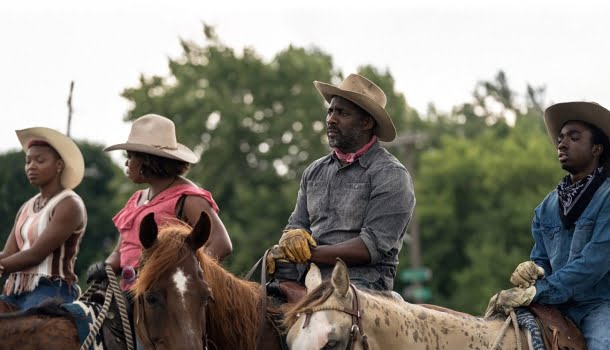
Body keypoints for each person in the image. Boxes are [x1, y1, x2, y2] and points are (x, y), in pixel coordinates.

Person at [267, 74, 415, 291]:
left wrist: (308, 254)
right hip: (307, 278)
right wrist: (288, 242)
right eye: (330, 111)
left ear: (367, 122)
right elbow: (297, 225)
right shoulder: (314, 171)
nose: (331, 119)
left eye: (342, 113)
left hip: (362, 287)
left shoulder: (391, 175)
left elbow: (369, 247)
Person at [86, 114, 232, 335]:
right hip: (130, 295)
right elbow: (121, 251)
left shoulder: (188, 197)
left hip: (165, 304)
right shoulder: (136, 199)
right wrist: (105, 267)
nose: (126, 163)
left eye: (130, 156)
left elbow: (221, 243)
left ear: (147, 161)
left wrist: (185, 278)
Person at [485, 102, 610, 349]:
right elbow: (541, 260)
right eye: (561, 138)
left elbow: (594, 264)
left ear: (596, 149)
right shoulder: (546, 207)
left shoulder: (607, 197)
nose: (561, 144)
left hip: (598, 305)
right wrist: (532, 271)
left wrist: (539, 291)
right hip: (554, 305)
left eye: (574, 138)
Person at [0, 127, 87, 310]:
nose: (31, 166)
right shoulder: (26, 207)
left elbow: (36, 254)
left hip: (52, 289)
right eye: (28, 161)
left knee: (26, 333)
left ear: (59, 165)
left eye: (40, 160)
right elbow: (8, 254)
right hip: (16, 290)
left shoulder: (69, 204)